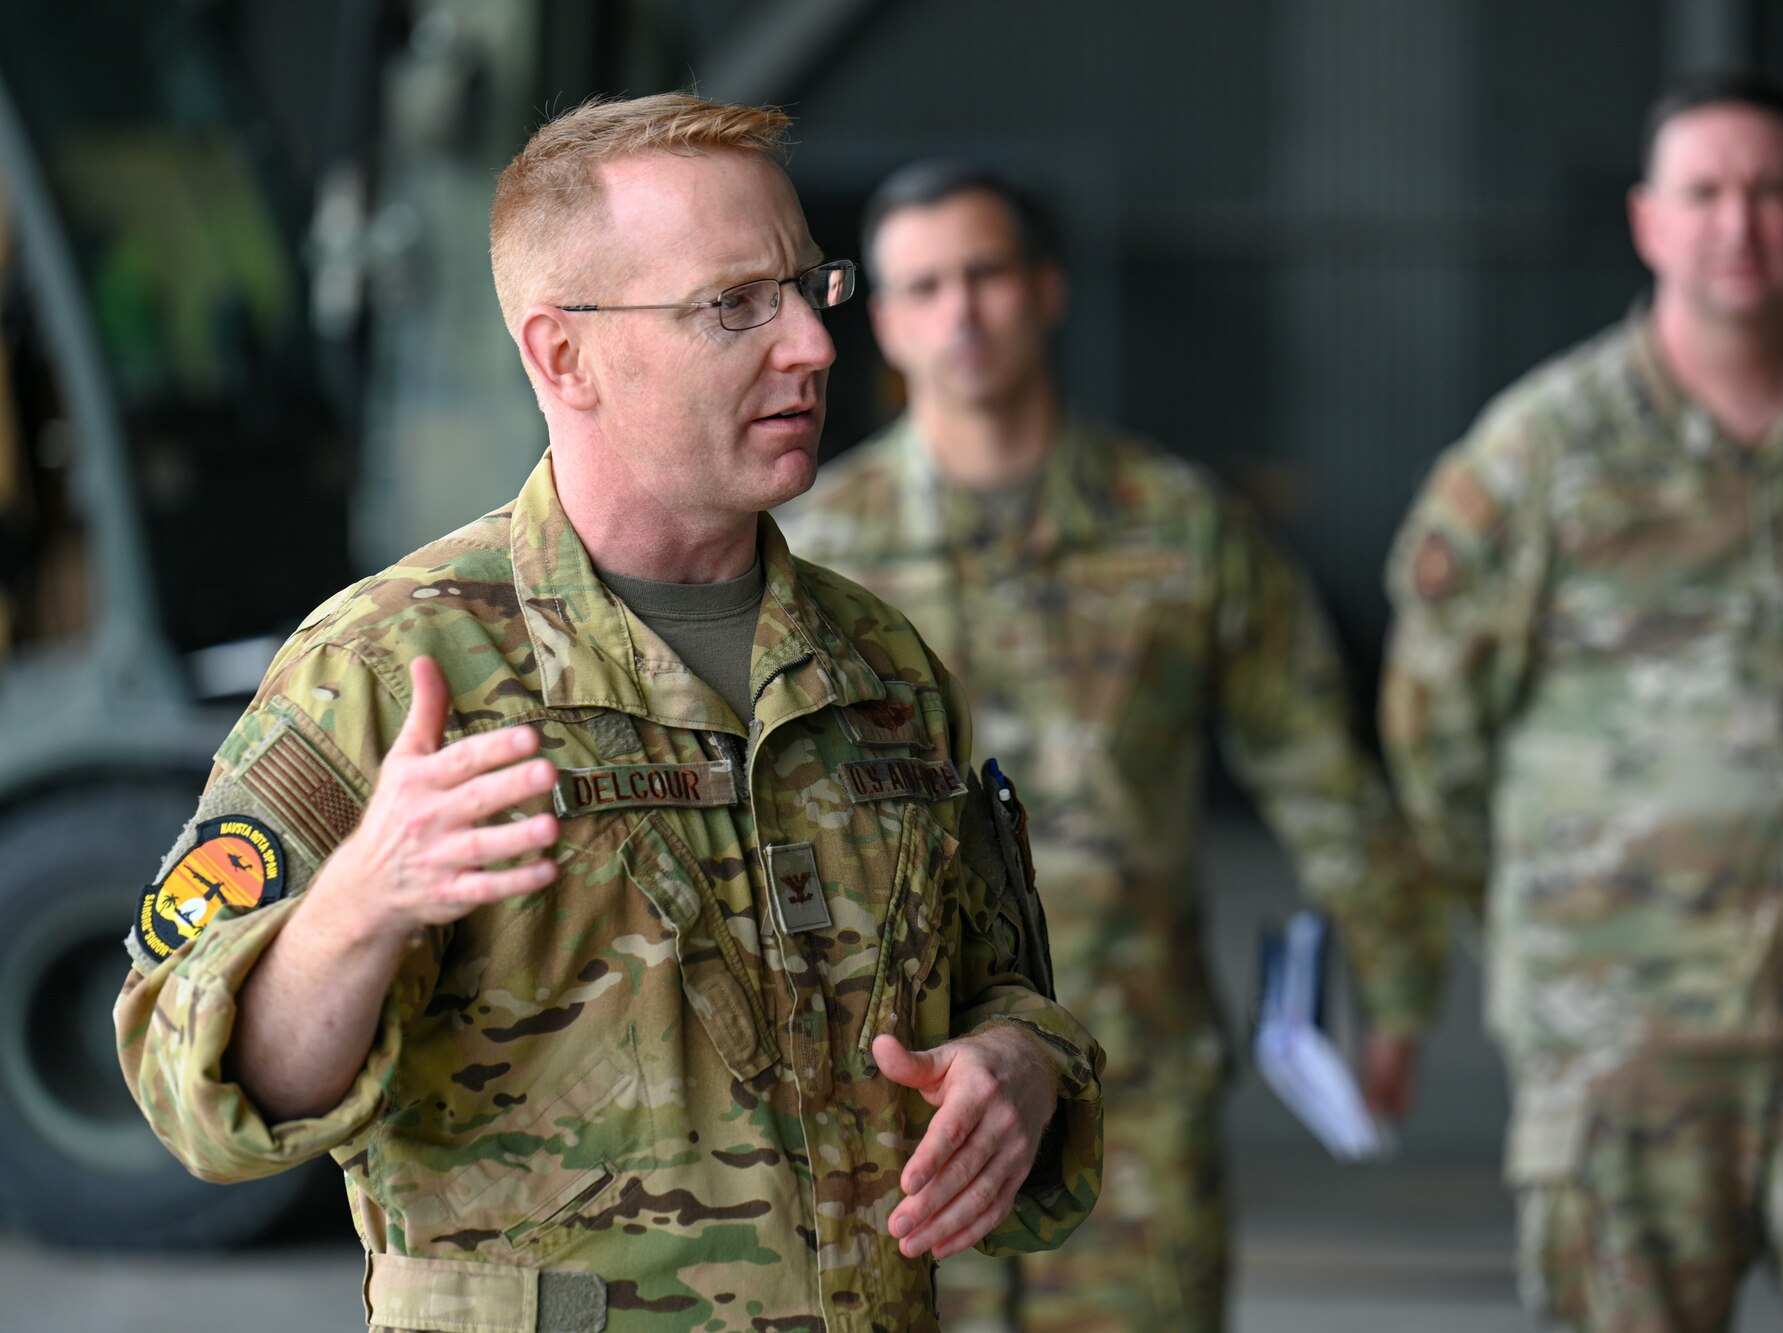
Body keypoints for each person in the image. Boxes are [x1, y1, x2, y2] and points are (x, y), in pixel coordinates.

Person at [113, 92, 1105, 1333]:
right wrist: (358, 909)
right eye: (733, 304)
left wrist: (1018, 1063)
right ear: (560, 354)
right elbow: (191, 1091)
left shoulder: (879, 667)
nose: (811, 343)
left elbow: (1000, 994)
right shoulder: (390, 667)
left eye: (809, 286)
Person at [781, 162, 1449, 1331]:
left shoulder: (1180, 528)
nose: (960, 313)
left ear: (1047, 290)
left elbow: (1315, 769)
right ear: (881, 319)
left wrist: (1395, 986)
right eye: (923, 286)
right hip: (903, 1100)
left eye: (985, 274)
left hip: (1132, 1082)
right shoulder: (814, 554)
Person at [1381, 71, 1783, 1332]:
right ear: (1647, 221)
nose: (1739, 222)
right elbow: (1431, 735)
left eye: (1769, 192)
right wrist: (1542, 943)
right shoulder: (1540, 449)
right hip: (1625, 1044)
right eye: (1704, 192)